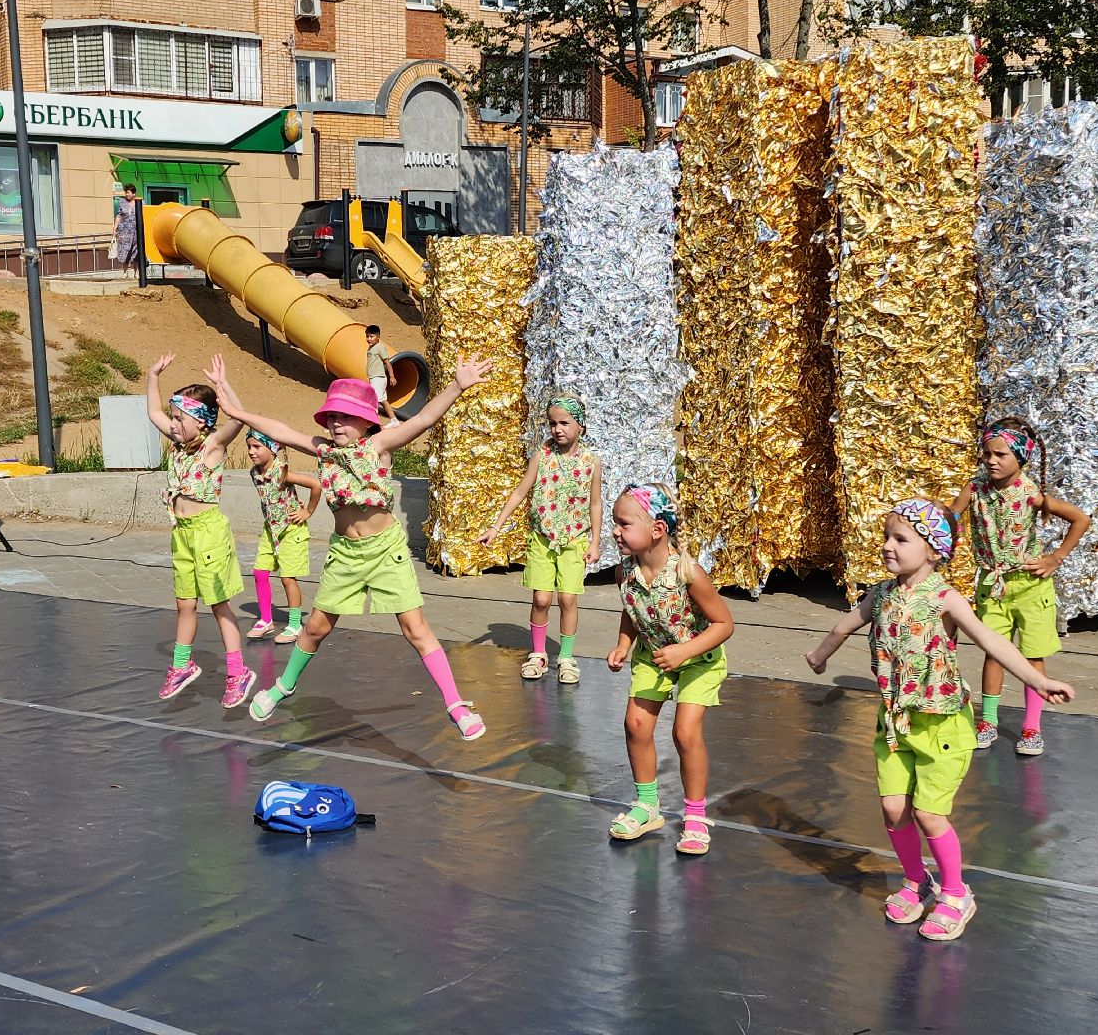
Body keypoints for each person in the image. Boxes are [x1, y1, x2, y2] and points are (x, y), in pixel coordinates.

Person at [805, 498, 1075, 941]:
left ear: (933, 551)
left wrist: (1038, 681)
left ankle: (955, 893)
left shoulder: (946, 600)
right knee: (894, 810)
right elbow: (843, 626)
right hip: (894, 722)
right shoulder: (881, 594)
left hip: (942, 725)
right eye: (887, 537)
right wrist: (819, 655)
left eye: (901, 539)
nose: (889, 546)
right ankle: (916, 880)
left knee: (930, 815)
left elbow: (994, 642)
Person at [205, 352, 492, 740]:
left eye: (346, 416)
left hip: (385, 550)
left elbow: (424, 419)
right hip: (346, 553)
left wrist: (457, 385)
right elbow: (279, 429)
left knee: (415, 628)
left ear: (366, 420)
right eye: (332, 417)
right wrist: (233, 405)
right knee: (316, 627)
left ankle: (455, 704)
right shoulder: (323, 450)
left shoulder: (380, 445)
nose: (337, 423)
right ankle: (283, 687)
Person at [948, 418, 1089, 756]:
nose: (991, 460)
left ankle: (1032, 727)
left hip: (1030, 587)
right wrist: (943, 529)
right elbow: (952, 515)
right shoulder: (975, 488)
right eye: (986, 454)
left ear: (1021, 459)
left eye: (1000, 454)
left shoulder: (1031, 495)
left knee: (1031, 655)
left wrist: (1055, 557)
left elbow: (1080, 518)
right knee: (994, 652)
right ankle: (988, 722)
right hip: (993, 585)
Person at [605, 484, 733, 854]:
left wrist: (685, 651)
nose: (616, 531)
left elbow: (723, 624)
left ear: (657, 530)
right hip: (652, 654)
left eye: (624, 524)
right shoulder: (624, 572)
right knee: (636, 725)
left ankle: (694, 815)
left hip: (698, 659)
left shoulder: (688, 573)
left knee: (685, 732)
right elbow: (632, 611)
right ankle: (647, 806)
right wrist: (624, 644)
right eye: (615, 523)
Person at [147, 354, 256, 707]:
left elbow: (237, 421)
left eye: (180, 419)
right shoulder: (179, 445)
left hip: (209, 533)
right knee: (184, 604)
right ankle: (182, 666)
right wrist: (152, 376)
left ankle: (238, 672)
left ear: (203, 422)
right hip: (182, 532)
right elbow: (152, 413)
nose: (173, 424)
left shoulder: (212, 447)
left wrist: (223, 387)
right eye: (174, 418)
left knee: (219, 605)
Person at [479, 394, 602, 684]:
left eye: (565, 423)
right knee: (541, 598)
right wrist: (496, 526)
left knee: (568, 598)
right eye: (552, 423)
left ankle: (567, 657)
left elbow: (595, 503)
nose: (558, 429)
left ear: (580, 425)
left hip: (574, 539)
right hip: (543, 539)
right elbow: (520, 492)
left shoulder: (592, 462)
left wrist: (595, 542)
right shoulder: (541, 457)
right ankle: (538, 653)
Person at [245, 429, 321, 644]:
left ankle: (295, 625)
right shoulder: (255, 473)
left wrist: (307, 511)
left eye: (257, 446)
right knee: (260, 572)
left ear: (273, 448)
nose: (251, 451)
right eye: (249, 446)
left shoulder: (282, 472)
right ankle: (266, 620)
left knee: (288, 578)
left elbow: (315, 485)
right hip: (271, 530)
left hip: (291, 530)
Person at [364, 325, 398, 426]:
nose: (369, 339)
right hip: (374, 378)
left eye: (371, 336)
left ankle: (372, 422)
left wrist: (392, 376)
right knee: (383, 400)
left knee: (374, 400)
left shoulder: (380, 347)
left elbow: (387, 363)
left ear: (378, 336)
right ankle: (394, 420)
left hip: (378, 378)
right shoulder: (371, 347)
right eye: (367, 336)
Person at [113, 184, 139, 274]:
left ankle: (137, 272)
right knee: (124, 251)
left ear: (133, 194)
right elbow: (119, 216)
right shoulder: (122, 202)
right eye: (126, 193)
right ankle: (125, 272)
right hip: (124, 232)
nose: (126, 194)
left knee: (136, 252)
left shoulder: (140, 203)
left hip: (136, 231)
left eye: (128, 192)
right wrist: (115, 228)